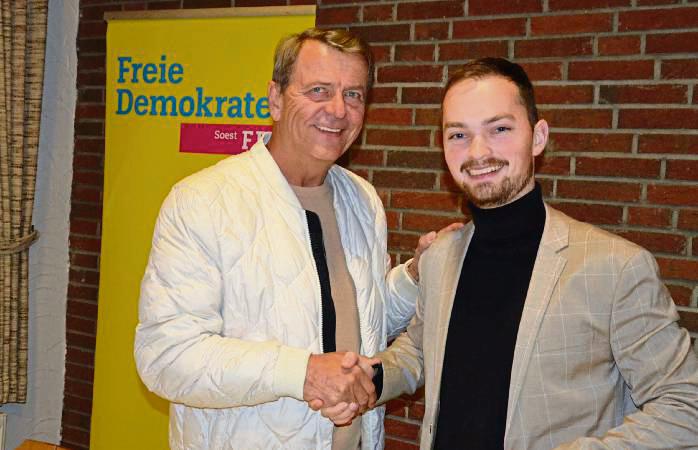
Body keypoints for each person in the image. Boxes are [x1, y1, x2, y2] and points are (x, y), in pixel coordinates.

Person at [326, 57, 698, 449]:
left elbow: (685, 405)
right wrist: (371, 377)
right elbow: (421, 348)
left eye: (500, 129)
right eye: (458, 135)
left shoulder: (614, 267)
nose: (478, 151)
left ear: (537, 137)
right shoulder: (440, 257)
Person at [134, 28, 433, 450]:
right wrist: (303, 372)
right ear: (275, 99)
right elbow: (167, 357)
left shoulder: (361, 200)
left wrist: (415, 276)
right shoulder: (203, 202)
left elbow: (362, 323)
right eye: (318, 90)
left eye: (353, 95)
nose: (338, 110)